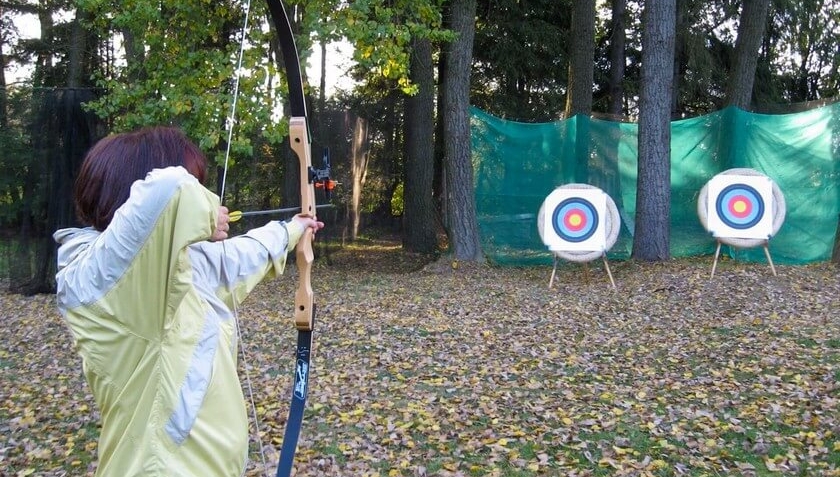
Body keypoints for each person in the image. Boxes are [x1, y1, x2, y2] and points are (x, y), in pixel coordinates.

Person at [53, 126, 323, 476]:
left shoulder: (177, 268)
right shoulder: (101, 280)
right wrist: (207, 216)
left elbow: (240, 256)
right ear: (129, 189)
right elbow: (172, 189)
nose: (201, 191)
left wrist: (292, 229)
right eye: (198, 185)